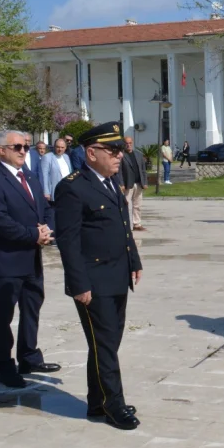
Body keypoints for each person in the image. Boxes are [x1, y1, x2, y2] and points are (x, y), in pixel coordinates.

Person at [54, 122, 143, 430]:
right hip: (93, 281)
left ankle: (97, 401)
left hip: (118, 275)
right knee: (104, 344)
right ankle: (114, 404)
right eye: (113, 150)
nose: (120, 155)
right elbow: (68, 240)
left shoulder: (110, 181)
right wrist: (78, 284)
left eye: (120, 149)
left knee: (106, 342)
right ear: (91, 153)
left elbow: (122, 224)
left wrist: (134, 259)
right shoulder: (72, 187)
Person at [0, 129, 59, 388]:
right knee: (3, 317)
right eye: (17, 147)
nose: (24, 151)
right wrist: (32, 235)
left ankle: (29, 356)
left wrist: (47, 229)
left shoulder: (30, 177)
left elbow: (46, 208)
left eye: (25, 146)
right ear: (1, 150)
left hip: (31, 259)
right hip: (5, 261)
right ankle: (4, 366)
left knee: (32, 308)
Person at [118, 136, 147, 231]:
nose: (128, 145)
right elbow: (119, 171)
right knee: (126, 205)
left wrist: (145, 182)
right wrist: (121, 183)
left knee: (137, 205)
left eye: (130, 143)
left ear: (132, 143)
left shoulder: (138, 155)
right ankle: (126, 225)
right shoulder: (121, 156)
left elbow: (143, 170)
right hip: (127, 184)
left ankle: (137, 224)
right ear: (124, 144)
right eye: (126, 143)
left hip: (138, 183)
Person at [41, 138, 72, 202]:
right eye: (58, 147)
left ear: (65, 148)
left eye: (62, 147)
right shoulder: (47, 157)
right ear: (54, 147)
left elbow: (70, 172)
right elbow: (44, 176)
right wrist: (46, 192)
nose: (60, 149)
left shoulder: (66, 157)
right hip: (55, 190)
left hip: (67, 190)